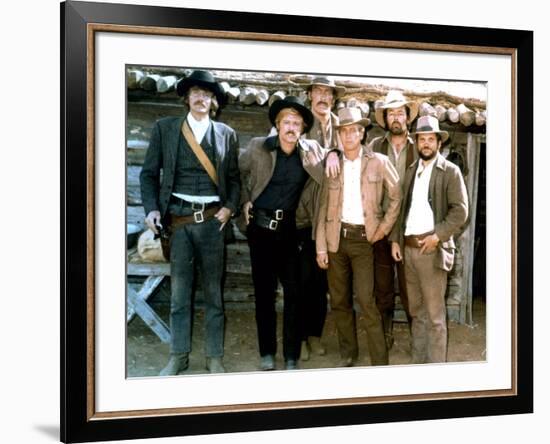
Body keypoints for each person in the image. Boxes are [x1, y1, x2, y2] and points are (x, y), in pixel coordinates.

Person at [140, 70, 241, 375]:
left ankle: (214, 357)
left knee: (214, 294)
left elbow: (234, 179)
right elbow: (148, 174)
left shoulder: (226, 134)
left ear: (214, 102)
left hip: (213, 223)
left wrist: (229, 207)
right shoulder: (165, 129)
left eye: (207, 94)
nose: (201, 98)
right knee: (179, 296)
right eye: (196, 92)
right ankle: (178, 355)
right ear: (187, 98)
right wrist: (152, 209)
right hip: (179, 223)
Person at [239, 96, 338, 371]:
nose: (291, 127)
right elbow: (236, 173)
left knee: (295, 293)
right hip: (260, 230)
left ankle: (291, 355)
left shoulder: (310, 151)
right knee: (264, 294)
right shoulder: (259, 147)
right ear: (277, 124)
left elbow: (332, 152)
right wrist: (244, 199)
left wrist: (334, 153)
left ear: (303, 128)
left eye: (296, 123)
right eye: (286, 122)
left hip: (290, 233)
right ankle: (267, 353)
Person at [316, 107, 401, 367]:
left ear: (362, 133)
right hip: (335, 240)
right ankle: (348, 354)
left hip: (365, 240)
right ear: (339, 135)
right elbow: (322, 207)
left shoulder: (379, 161)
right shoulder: (333, 164)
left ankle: (379, 360)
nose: (350, 135)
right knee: (339, 300)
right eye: (344, 130)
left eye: (354, 130)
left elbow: (396, 196)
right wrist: (321, 247)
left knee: (367, 299)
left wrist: (383, 230)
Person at [390, 115, 468, 364]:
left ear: (439, 143)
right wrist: (396, 241)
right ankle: (419, 362)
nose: (425, 144)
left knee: (435, 315)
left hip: (432, 250)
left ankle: (436, 370)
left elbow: (460, 211)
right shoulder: (412, 171)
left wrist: (438, 236)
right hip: (409, 249)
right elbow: (402, 210)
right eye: (421, 139)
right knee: (416, 311)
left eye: (430, 139)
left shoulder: (450, 171)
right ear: (417, 142)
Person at [296, 77, 345, 360]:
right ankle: (300, 337)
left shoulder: (341, 127)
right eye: (318, 92)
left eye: (328, 93)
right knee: (302, 281)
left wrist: (337, 150)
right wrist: (330, 156)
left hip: (330, 217)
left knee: (320, 283)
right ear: (310, 95)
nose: (323, 97)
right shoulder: (299, 122)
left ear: (333, 99)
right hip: (303, 216)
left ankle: (314, 335)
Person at [368, 90, 419, 349]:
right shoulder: (375, 146)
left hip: (411, 227)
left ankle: (417, 338)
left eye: (400, 112)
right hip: (381, 228)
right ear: (385, 119)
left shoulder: (419, 146)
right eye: (391, 113)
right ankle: (385, 335)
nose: (396, 118)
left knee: (411, 290)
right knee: (383, 288)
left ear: (408, 117)